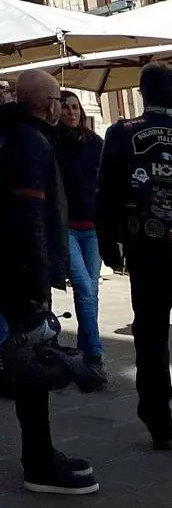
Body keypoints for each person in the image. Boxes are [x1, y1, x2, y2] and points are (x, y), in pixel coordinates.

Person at [0, 68, 97, 495]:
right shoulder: (29, 142)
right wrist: (37, 286)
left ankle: (41, 454)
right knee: (34, 367)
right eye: (54, 101)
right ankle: (40, 463)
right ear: (45, 104)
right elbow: (30, 218)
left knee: (30, 363)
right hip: (23, 272)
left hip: (5, 264)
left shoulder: (2, 136)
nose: (57, 107)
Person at [97, 59, 172, 451]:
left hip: (146, 249)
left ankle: (159, 418)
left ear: (143, 93)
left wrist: (108, 244)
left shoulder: (122, 132)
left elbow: (105, 193)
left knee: (151, 332)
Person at [54, 90, 104, 382]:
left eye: (75, 107)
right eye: (65, 107)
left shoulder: (94, 143)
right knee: (84, 287)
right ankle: (96, 355)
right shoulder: (53, 143)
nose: (72, 112)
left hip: (93, 228)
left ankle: (86, 353)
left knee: (92, 292)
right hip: (67, 228)